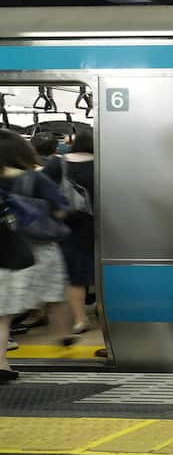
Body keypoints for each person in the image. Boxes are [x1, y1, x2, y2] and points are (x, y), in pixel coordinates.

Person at [1, 133, 70, 345]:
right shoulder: (34, 177)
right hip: (37, 245)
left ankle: (8, 339)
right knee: (53, 292)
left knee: (6, 304)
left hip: (4, 247)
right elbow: (61, 208)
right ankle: (63, 333)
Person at [43, 125, 95, 336]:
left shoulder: (58, 164)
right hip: (102, 224)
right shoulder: (103, 164)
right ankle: (105, 312)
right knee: (102, 271)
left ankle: (80, 319)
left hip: (70, 225)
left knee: (75, 275)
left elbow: (40, 191)